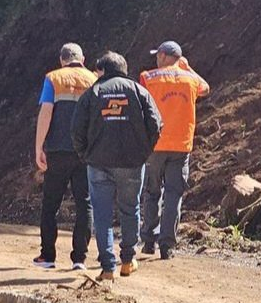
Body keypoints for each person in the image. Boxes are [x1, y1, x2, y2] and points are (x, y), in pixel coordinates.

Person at [71, 51, 162, 281]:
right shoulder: (139, 91)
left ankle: (108, 266)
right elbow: (156, 124)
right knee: (130, 209)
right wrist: (143, 151)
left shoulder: (92, 93)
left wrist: (85, 154)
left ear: (102, 70)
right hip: (132, 163)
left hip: (98, 163)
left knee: (101, 215)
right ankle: (128, 260)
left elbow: (76, 130)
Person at [139, 41, 210, 260]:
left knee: (152, 192)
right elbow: (205, 88)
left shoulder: (148, 77)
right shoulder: (190, 80)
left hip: (154, 145)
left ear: (162, 56)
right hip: (181, 146)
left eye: (157, 55)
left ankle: (149, 240)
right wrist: (187, 68)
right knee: (173, 195)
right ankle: (167, 246)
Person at [33, 43, 98, 270]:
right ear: (83, 58)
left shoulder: (53, 78)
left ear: (62, 60)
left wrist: (39, 147)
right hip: (85, 152)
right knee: (85, 204)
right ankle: (79, 258)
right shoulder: (93, 80)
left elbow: (46, 112)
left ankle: (48, 256)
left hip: (58, 151)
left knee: (51, 203)